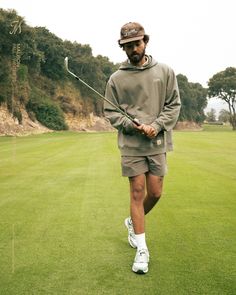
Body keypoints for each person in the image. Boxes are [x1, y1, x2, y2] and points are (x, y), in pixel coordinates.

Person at [104, 22, 181, 274]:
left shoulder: (165, 71)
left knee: (155, 193)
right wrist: (130, 125)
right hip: (131, 145)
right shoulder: (116, 79)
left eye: (136, 44)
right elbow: (111, 112)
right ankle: (142, 249)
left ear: (145, 41)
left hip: (157, 142)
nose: (133, 49)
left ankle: (131, 222)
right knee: (137, 192)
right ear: (123, 48)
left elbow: (173, 105)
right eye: (127, 46)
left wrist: (156, 126)